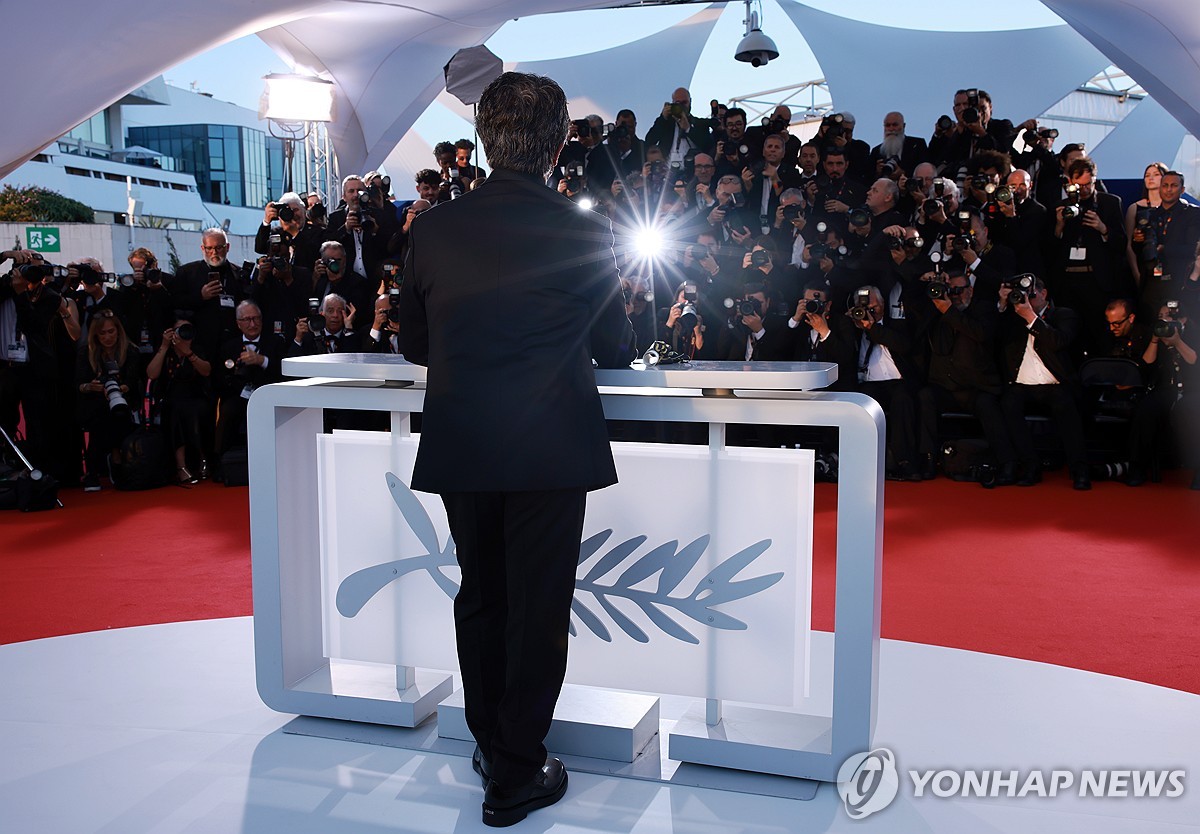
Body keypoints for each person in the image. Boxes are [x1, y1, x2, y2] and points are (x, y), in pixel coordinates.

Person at [399, 71, 635, 827]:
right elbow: (616, 348)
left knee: (482, 597)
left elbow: (414, 345)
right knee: (536, 606)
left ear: (482, 140)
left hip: (465, 438)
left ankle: (494, 748)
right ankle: (514, 768)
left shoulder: (431, 229)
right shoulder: (585, 229)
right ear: (559, 143)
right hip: (548, 444)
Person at [75, 310, 142, 491]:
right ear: (96, 335)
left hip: (123, 400)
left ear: (118, 331)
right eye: (102, 333)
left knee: (117, 413)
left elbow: (133, 381)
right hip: (95, 400)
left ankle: (106, 463)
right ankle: (113, 459)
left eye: (111, 331)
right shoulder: (86, 352)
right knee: (101, 414)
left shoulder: (130, 351)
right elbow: (79, 384)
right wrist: (91, 386)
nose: (107, 337)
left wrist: (122, 387)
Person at [146, 319, 212, 484]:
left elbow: (206, 371)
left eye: (187, 329)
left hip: (195, 396)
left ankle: (203, 458)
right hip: (171, 398)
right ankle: (181, 466)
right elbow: (152, 374)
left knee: (198, 410)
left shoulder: (197, 349)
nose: (184, 333)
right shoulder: (166, 351)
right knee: (175, 411)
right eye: (179, 329)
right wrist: (164, 346)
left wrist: (188, 353)